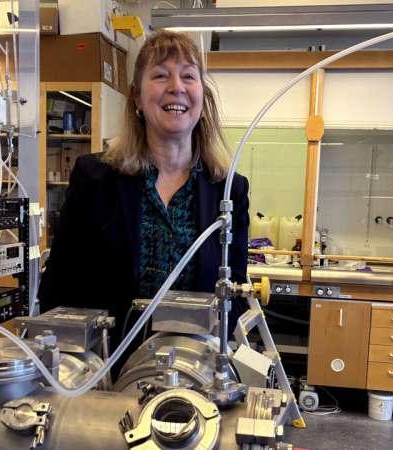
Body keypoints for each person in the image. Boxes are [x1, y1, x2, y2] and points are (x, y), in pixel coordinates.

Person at [38, 31, 249, 351]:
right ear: (136, 97)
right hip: (107, 367)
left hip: (193, 367)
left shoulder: (229, 190)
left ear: (203, 98)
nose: (176, 87)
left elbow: (235, 293)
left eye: (188, 76)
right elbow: (58, 287)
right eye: (161, 75)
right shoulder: (95, 179)